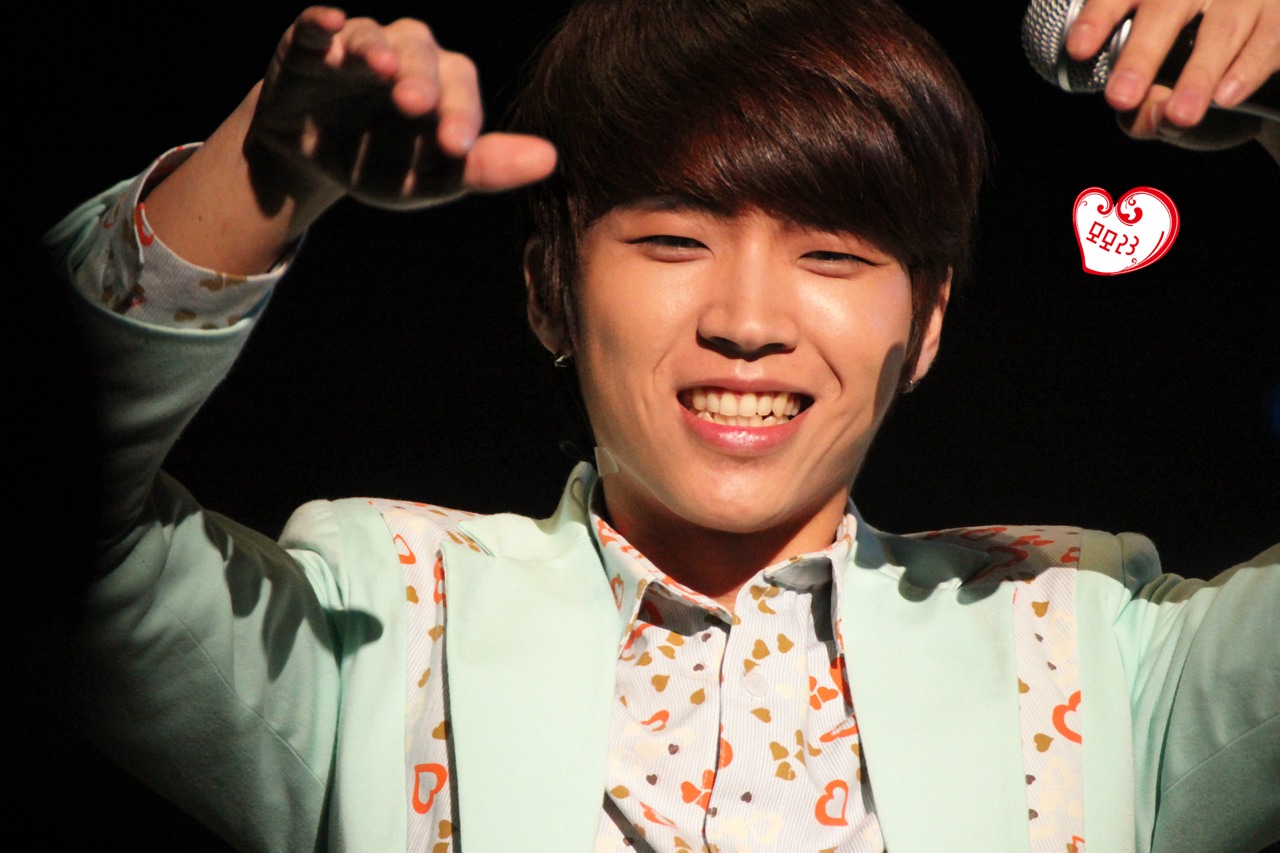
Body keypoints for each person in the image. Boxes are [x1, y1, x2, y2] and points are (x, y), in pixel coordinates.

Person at [42, 0, 1278, 850]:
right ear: (548, 289)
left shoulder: (1091, 639)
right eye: (674, 239)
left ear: (928, 323)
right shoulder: (378, 619)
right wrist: (260, 176)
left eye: (833, 255)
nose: (747, 321)